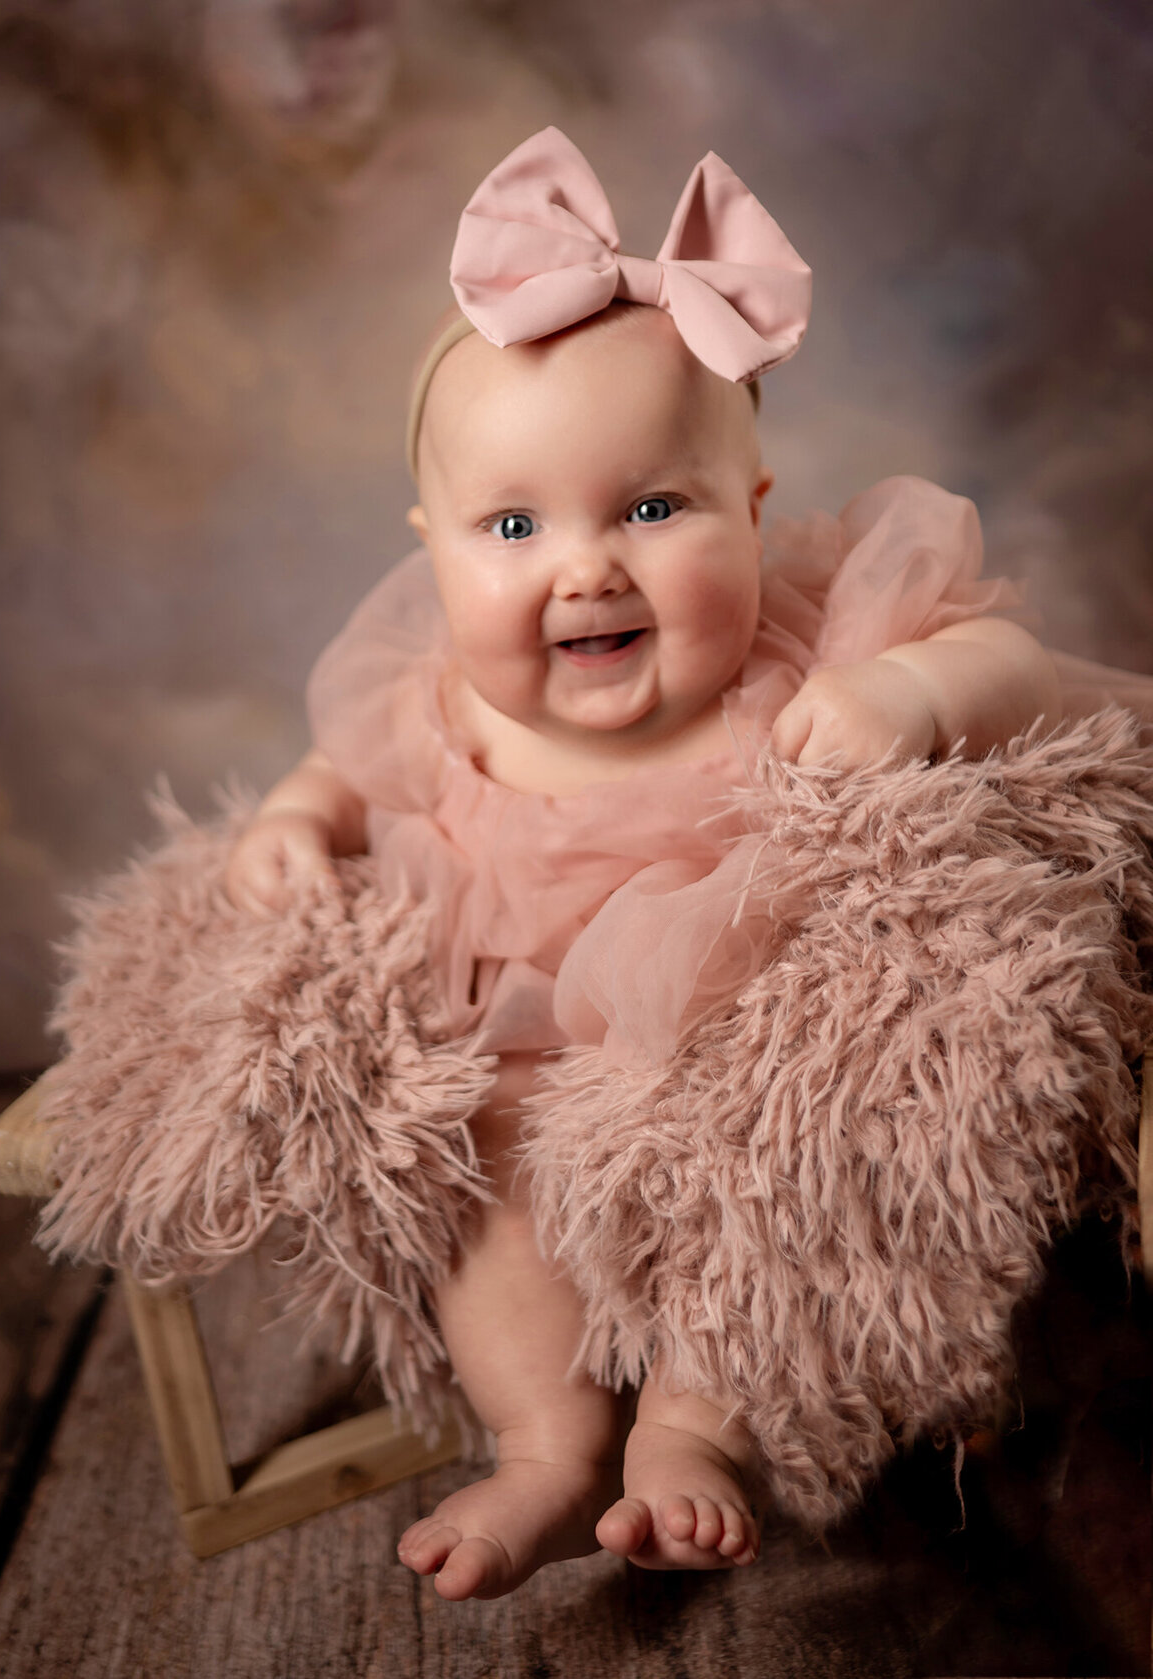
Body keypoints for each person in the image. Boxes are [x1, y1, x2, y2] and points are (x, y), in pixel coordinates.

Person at [222, 129, 1062, 1599]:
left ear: (751, 510)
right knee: (493, 1217)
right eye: (513, 525)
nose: (586, 566)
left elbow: (1009, 654)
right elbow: (354, 772)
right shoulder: (440, 696)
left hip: (750, 1061)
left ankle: (692, 1436)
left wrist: (907, 700)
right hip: (532, 1066)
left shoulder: (809, 642)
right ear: (435, 553)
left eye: (653, 508)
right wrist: (294, 820)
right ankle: (544, 1449)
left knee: (764, 1203)